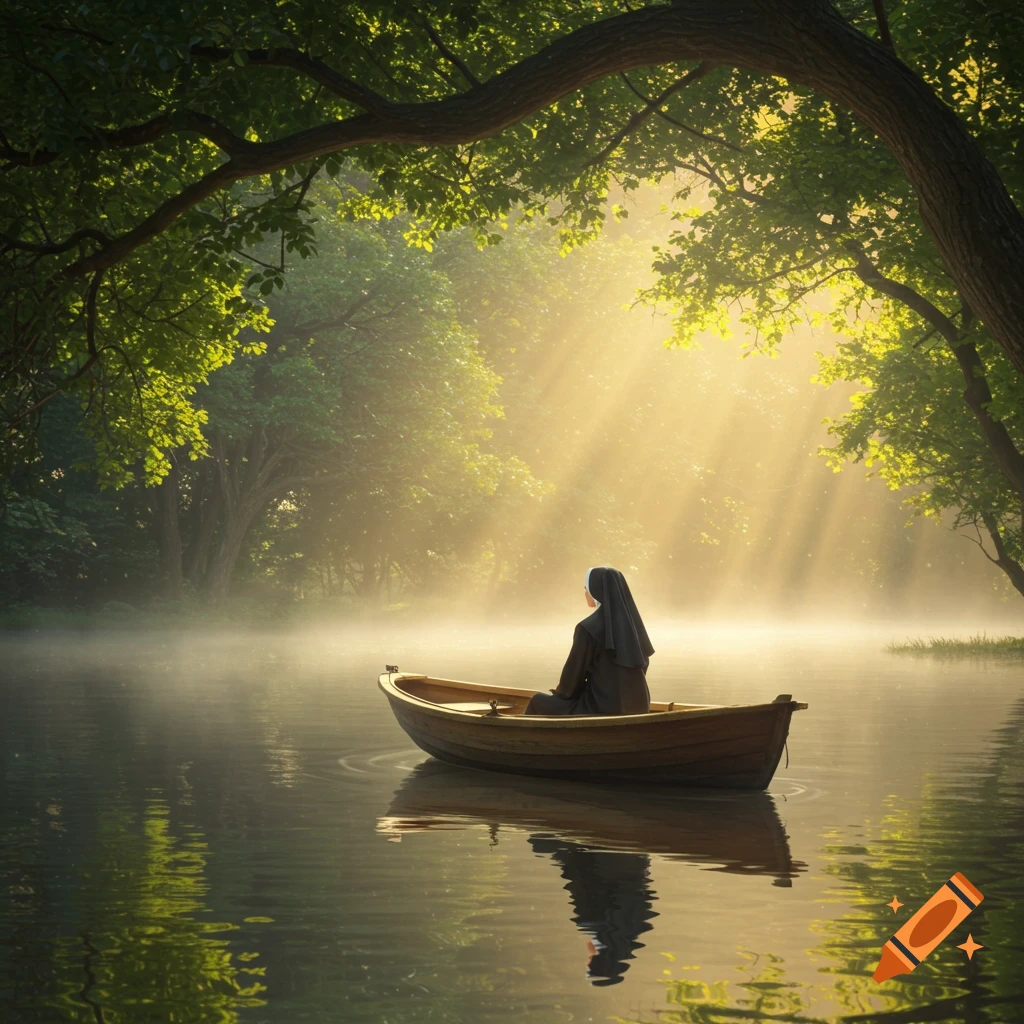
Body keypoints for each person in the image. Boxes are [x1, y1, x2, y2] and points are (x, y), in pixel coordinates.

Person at [524, 566, 653, 716]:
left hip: (601, 709)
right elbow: (642, 665)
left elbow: (572, 680)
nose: (585, 593)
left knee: (537, 701)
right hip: (640, 706)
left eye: (587, 589)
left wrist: (561, 694)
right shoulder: (634, 626)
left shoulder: (587, 628)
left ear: (596, 590)